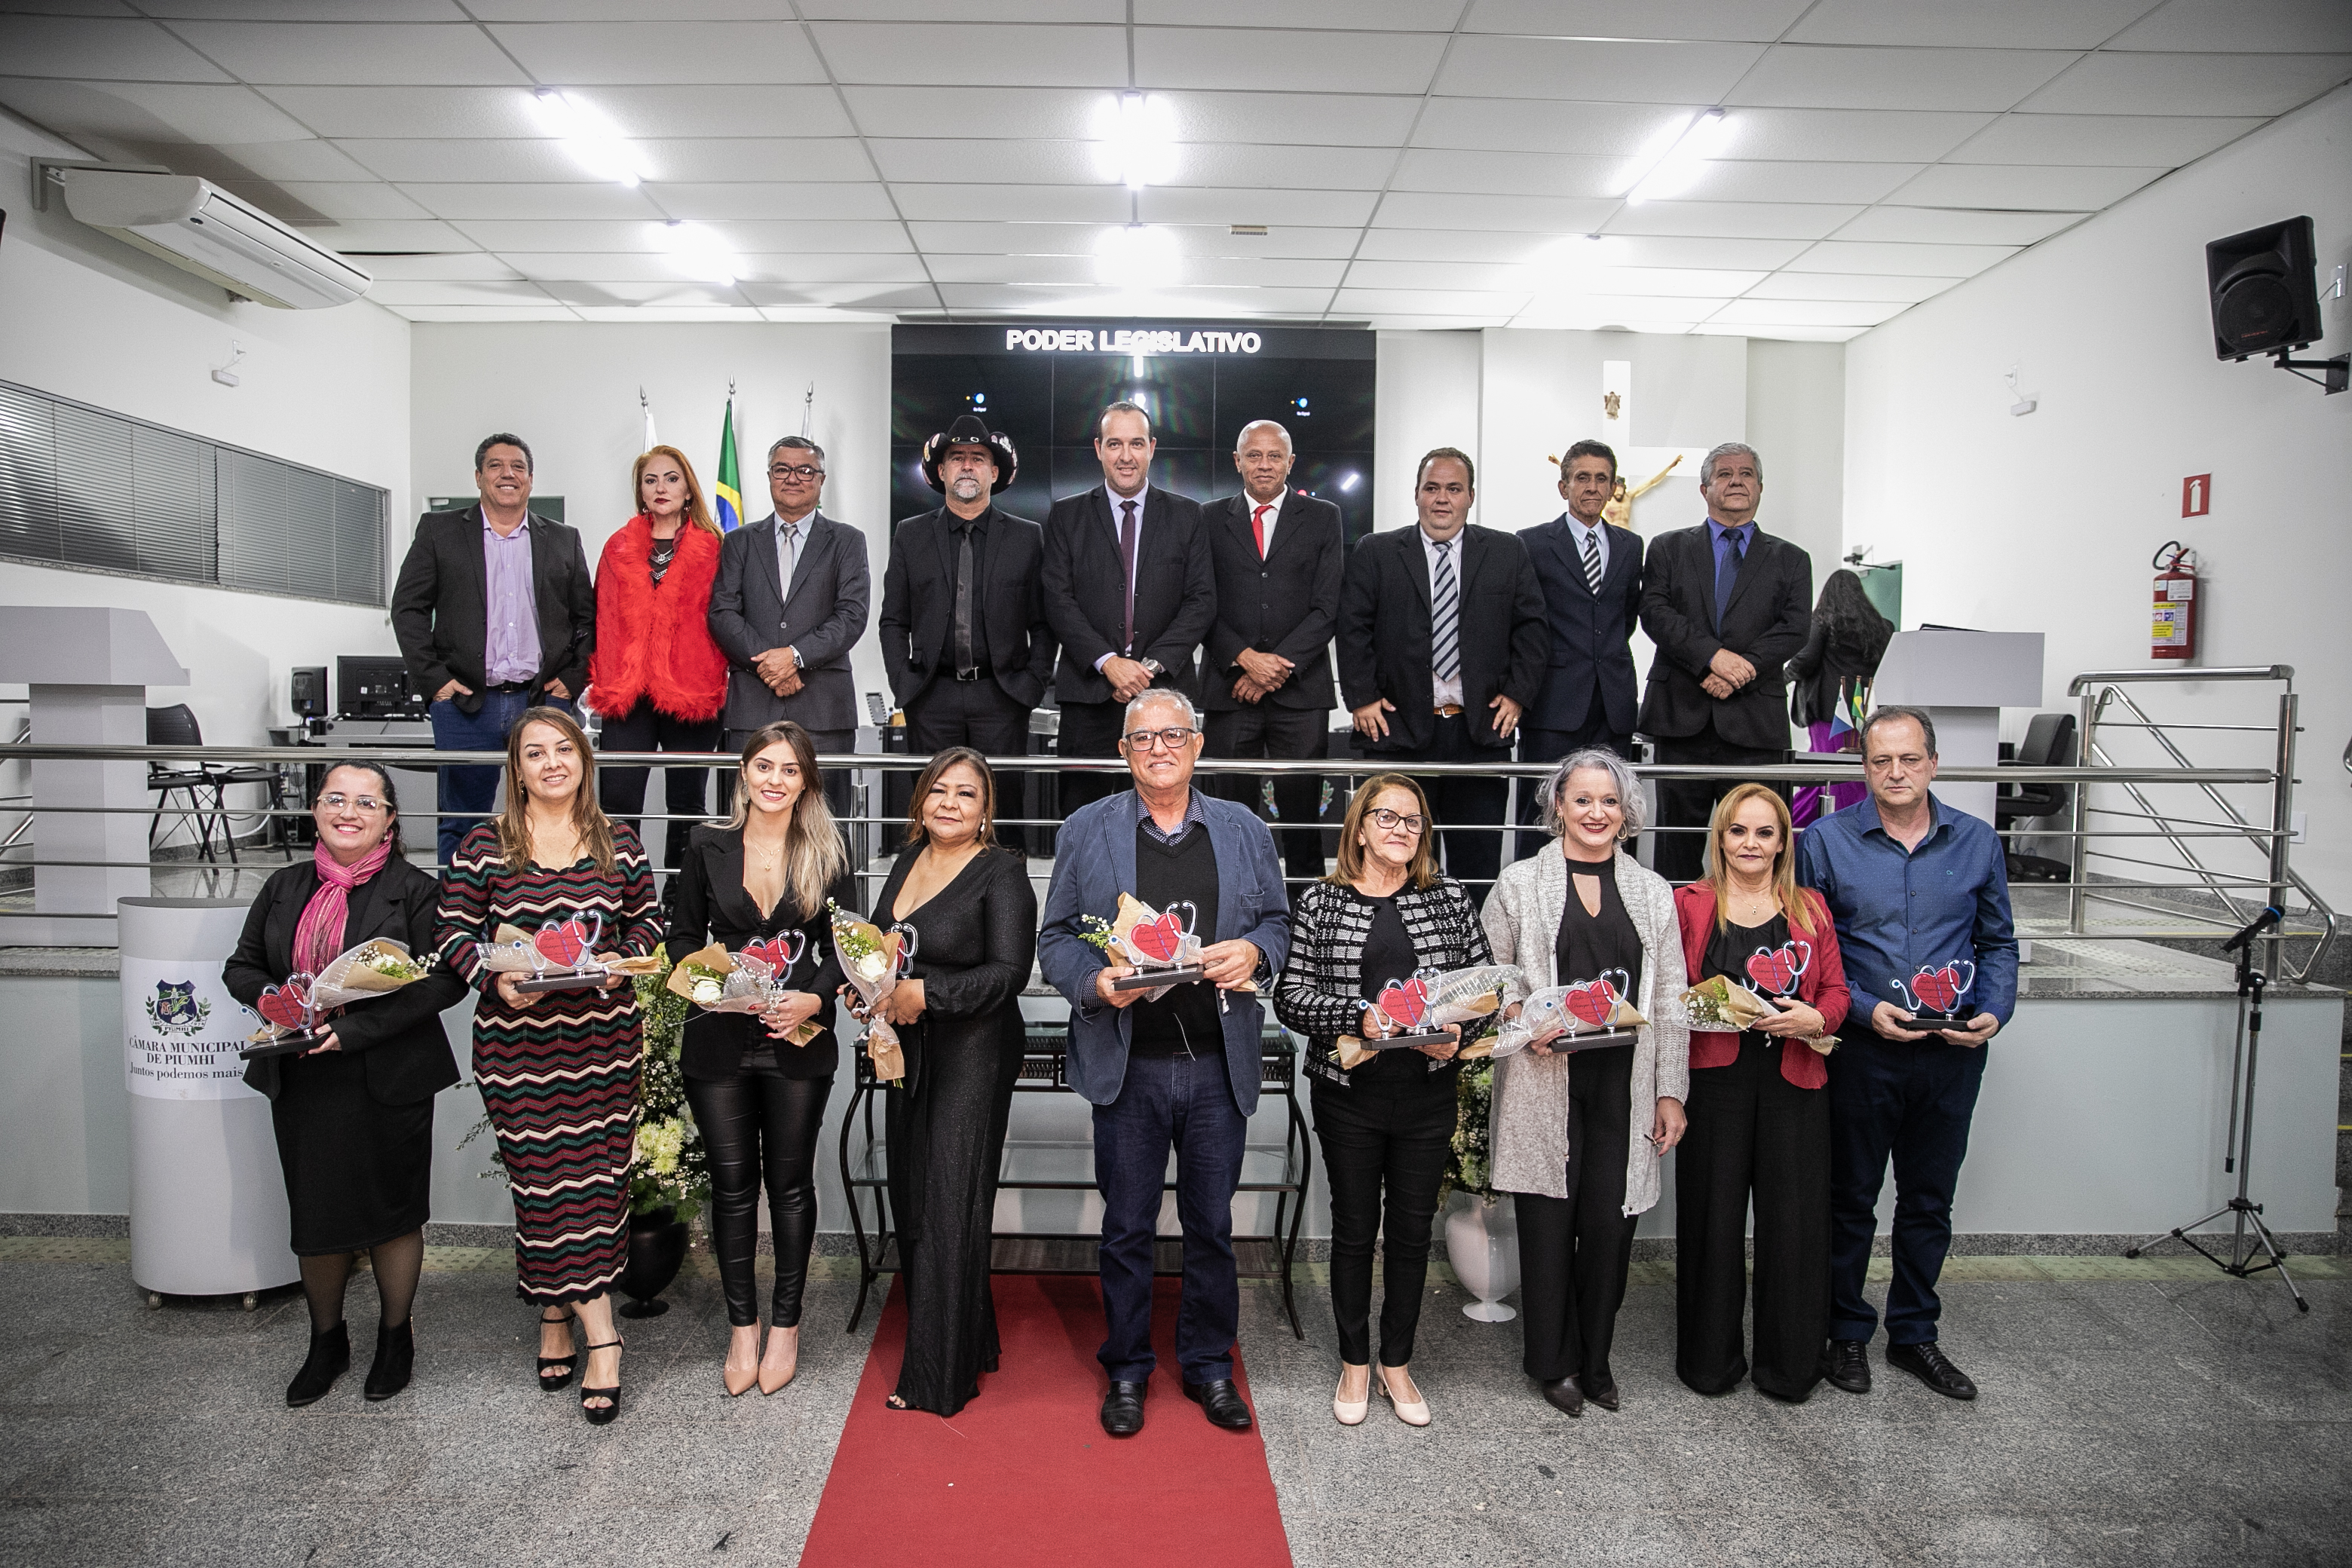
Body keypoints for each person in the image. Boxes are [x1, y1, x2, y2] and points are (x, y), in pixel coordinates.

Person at [1036, 689, 1290, 1438]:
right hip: (1130, 1063)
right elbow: (1056, 938)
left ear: (1198, 743)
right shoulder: (1087, 828)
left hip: (1216, 1062)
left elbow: (1277, 923)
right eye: (1142, 738)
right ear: (1123, 751)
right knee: (1126, 1227)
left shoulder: (1244, 828)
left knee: (1212, 1226)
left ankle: (1209, 1367)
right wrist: (1095, 982)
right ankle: (1127, 1369)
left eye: (1173, 734)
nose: (1158, 748)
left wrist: (1255, 952)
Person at [434, 707, 663, 1425]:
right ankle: (605, 1338)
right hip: (518, 1049)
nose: (552, 763)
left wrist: (622, 961)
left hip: (604, 1043)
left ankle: (556, 1314)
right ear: (518, 768)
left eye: (565, 749)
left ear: (585, 760)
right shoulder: (485, 844)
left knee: (596, 1188)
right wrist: (494, 977)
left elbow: (648, 922)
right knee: (543, 1189)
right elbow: (452, 931)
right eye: (535, 753)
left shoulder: (619, 841)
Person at [223, 761, 465, 1407]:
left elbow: (446, 981)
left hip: (389, 1074)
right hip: (304, 1075)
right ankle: (326, 1342)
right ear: (316, 811)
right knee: (317, 1215)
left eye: (365, 802)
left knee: (393, 1213)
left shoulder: (416, 891)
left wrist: (354, 1029)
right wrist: (275, 998)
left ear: (390, 818)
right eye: (335, 799)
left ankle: (395, 1339)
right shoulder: (284, 886)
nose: (348, 812)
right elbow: (241, 966)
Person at [1797, 706, 2016, 1404]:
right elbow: (1813, 953)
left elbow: (1998, 943)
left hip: (1953, 1051)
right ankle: (1845, 1333)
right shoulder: (1825, 841)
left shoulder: (1977, 841)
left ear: (1933, 763)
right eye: (1881, 760)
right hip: (1864, 1050)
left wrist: (1995, 1010)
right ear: (1864, 768)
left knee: (1929, 1201)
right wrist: (1865, 1010)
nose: (1896, 772)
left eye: (1909, 759)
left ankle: (1915, 1334)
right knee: (1850, 1199)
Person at [1275, 773, 1490, 1429]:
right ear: (1361, 828)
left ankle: (1397, 1362)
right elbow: (1290, 997)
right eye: (1387, 817)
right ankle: (1354, 1363)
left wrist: (1459, 1036)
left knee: (1410, 1234)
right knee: (1352, 1230)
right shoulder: (1321, 901)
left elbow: (1487, 990)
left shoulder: (1449, 898)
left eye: (1413, 820)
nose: (1402, 829)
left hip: (1427, 1093)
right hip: (1348, 1095)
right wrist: (1358, 1018)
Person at [1482, 748, 1688, 1416]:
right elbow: (1496, 978)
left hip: (1626, 1082)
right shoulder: (1518, 883)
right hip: (1544, 1076)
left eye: (1609, 801)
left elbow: (1671, 1002)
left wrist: (1670, 1091)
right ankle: (1554, 1364)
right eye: (1583, 800)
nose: (1596, 812)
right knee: (1547, 1225)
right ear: (1558, 807)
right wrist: (1523, 1017)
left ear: (1626, 811)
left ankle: (1596, 1358)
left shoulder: (1653, 891)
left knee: (1610, 1226)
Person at [663, 721, 856, 1398]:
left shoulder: (829, 851)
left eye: (790, 770)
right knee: (732, 1187)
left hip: (799, 1041)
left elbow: (845, 947)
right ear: (744, 772)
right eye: (764, 766)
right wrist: (719, 989)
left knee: (792, 1186)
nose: (776, 780)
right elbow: (681, 937)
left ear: (806, 782)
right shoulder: (706, 845)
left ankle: (786, 1328)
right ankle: (742, 1329)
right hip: (718, 1039)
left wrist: (815, 1000)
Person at [863, 747, 1037, 1415]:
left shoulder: (1003, 872)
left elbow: (1009, 973)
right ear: (921, 800)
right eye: (939, 790)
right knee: (913, 1194)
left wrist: (926, 994)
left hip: (975, 1049)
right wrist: (868, 989)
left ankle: (938, 1377)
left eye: (966, 793)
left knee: (949, 1200)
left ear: (985, 808)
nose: (950, 803)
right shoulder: (907, 859)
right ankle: (972, 1339)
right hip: (909, 1047)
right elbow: (882, 947)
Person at [1673, 783, 1850, 1402]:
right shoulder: (1688, 903)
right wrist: (1712, 1007)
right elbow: (1670, 992)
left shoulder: (1811, 907)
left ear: (1782, 843)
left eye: (1765, 832)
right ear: (1720, 838)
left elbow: (1837, 991)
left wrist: (1817, 1018)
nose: (1751, 843)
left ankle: (1791, 1367)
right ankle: (1709, 1363)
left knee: (1795, 1226)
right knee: (1711, 1222)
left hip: (1794, 1080)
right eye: (1739, 831)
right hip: (1714, 1080)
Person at [1337, 446, 1546, 902]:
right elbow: (1352, 628)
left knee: (1477, 865)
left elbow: (1533, 629)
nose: (1442, 499)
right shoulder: (1377, 551)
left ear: (1471, 496)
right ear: (1416, 494)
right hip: (1396, 731)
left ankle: (1470, 946)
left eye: (1454, 489)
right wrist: (1362, 698)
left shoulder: (1507, 552)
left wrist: (1518, 695)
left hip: (1480, 733)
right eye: (1432, 488)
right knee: (1398, 865)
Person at [391, 433, 596, 865]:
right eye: (496, 466)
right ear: (479, 477)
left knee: (554, 814)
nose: (508, 474)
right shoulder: (440, 532)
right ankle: (458, 907)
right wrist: (435, 680)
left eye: (518, 467)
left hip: (543, 701)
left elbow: (587, 618)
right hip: (465, 703)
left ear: (531, 479)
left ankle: (545, 902)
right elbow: (408, 609)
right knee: (462, 821)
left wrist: (574, 679)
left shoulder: (563, 539)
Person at [1637, 442, 1814, 883]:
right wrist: (1711, 658)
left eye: (1747, 474)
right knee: (1676, 849)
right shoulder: (1668, 548)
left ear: (1760, 488)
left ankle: (1757, 925)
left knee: (1758, 847)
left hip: (1755, 727)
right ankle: (1677, 925)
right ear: (1704, 489)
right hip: (1682, 719)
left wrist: (1740, 670)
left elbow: (1794, 629)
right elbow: (1655, 613)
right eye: (1725, 474)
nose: (1737, 481)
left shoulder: (1792, 559)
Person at [878, 415, 1055, 855]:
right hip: (930, 696)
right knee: (933, 813)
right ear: (941, 471)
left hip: (1002, 697)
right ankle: (931, 896)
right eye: (957, 458)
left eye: (978, 458)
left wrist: (1031, 687)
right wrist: (905, 685)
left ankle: (1005, 896)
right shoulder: (910, 535)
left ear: (994, 472)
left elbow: (1044, 623)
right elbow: (893, 621)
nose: (967, 466)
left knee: (1002, 815)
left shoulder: (1027, 537)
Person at [1040, 401, 1215, 816]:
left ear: (1151, 448)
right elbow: (1057, 599)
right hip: (1089, 696)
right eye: (1115, 444)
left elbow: (1201, 600)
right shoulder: (1066, 515)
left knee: (1165, 817)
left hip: (1166, 695)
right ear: (1099, 448)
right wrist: (1108, 663)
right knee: (1083, 817)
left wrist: (1146, 669)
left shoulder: (1187, 515)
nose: (1126, 455)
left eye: (1136, 443)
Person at [1201, 419, 1345, 885]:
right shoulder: (1207, 519)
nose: (1264, 464)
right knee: (1229, 816)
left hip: (1300, 693)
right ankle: (1233, 908)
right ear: (1237, 461)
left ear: (1290, 462)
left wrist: (1272, 669)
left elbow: (1328, 607)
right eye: (1254, 455)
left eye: (1274, 455)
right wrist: (1244, 658)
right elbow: (1199, 602)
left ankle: (1306, 915)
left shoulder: (1323, 517)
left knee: (1303, 820)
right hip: (1230, 690)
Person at [709, 434, 871, 819]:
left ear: (821, 479)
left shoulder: (847, 541)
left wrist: (795, 657)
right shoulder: (738, 541)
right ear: (769, 477)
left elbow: (852, 615)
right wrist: (771, 665)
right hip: (752, 708)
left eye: (805, 470)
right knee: (746, 824)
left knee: (825, 825)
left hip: (824, 710)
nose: (793, 478)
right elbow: (722, 613)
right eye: (782, 469)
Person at [589, 445, 730, 874]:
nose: (660, 488)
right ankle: (620, 891)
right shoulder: (617, 545)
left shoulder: (714, 547)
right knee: (618, 799)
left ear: (688, 490)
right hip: (627, 691)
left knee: (687, 802)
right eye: (650, 480)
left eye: (671, 479)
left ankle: (679, 899)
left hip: (691, 690)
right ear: (641, 492)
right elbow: (602, 616)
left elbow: (724, 617)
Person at [1518, 439, 1645, 859]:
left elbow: (1625, 617)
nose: (1592, 487)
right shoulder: (1532, 543)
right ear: (1564, 486)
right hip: (1552, 702)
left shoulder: (1630, 546)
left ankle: (1612, 893)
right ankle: (1535, 893)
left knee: (1614, 810)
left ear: (1613, 487)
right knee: (1543, 811)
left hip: (1613, 702)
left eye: (1602, 479)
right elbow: (1524, 621)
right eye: (1582, 478)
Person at [1785, 568, 1894, 827]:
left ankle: (1792, 831)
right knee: (1851, 774)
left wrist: (1781, 677)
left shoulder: (1823, 621)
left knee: (1826, 775)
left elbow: (1806, 660)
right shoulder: (1882, 627)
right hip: (1862, 710)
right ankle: (1850, 830)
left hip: (1828, 712)